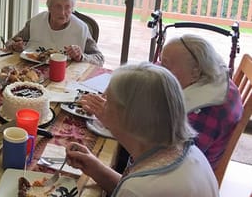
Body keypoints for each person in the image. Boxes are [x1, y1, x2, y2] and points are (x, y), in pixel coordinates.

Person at [66, 63, 219, 197]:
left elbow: (135, 191)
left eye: (108, 101)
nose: (102, 105)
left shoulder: (139, 189)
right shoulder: (186, 152)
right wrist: (94, 167)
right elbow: (127, 189)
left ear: (129, 117)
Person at [160, 34, 243, 170]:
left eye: (165, 66)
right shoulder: (216, 78)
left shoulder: (203, 113)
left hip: (187, 175)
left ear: (195, 73)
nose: (159, 70)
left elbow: (172, 161)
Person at [6, 0, 103, 66]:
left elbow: (99, 59)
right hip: (32, 70)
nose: (62, 12)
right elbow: (10, 42)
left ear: (72, 8)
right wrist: (15, 46)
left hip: (66, 77)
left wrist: (81, 56)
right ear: (49, 7)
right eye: (58, 7)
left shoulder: (81, 29)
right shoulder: (36, 22)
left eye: (67, 7)